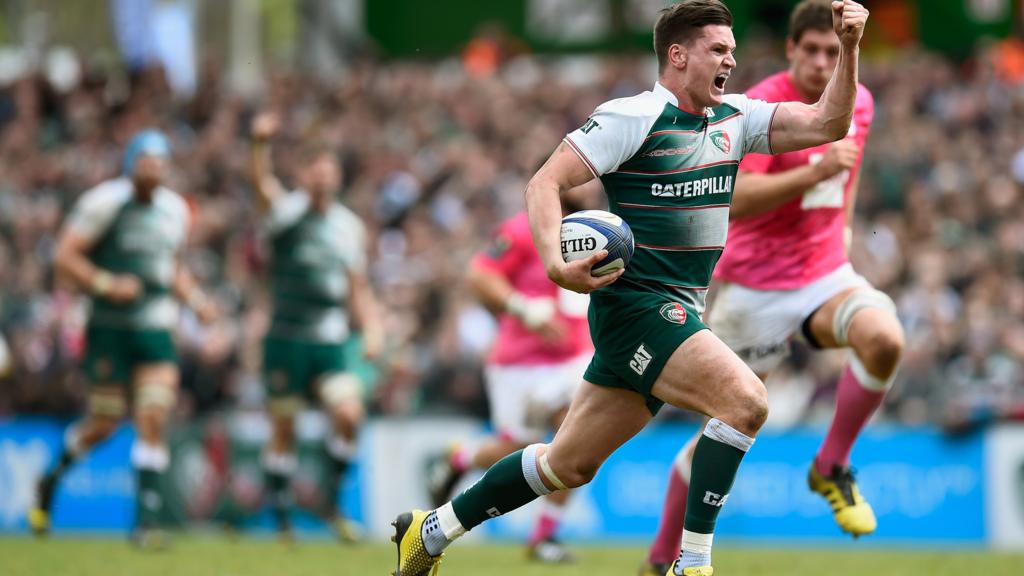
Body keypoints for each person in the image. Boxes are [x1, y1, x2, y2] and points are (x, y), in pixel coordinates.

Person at [392, 1, 870, 574]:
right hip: (637, 306)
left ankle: (431, 530)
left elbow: (828, 123)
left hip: (677, 309)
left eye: (733, 49)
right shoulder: (633, 117)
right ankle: (692, 564)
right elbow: (545, 182)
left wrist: (850, 46)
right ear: (678, 55)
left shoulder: (737, 119)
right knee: (745, 402)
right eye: (719, 49)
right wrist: (553, 263)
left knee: (566, 465)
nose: (732, 60)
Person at [639, 1, 902, 571]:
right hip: (751, 289)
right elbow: (732, 200)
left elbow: (847, 174)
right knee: (727, 425)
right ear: (790, 49)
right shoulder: (755, 106)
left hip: (823, 274)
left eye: (832, 52)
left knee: (885, 338)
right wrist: (815, 171)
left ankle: (831, 464)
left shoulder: (860, 100)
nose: (821, 61)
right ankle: (662, 556)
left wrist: (847, 228)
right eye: (811, 50)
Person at [30, 129, 217, 547]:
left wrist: (197, 300)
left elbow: (172, 268)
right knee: (105, 423)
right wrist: (104, 282)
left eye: (160, 161)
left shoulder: (175, 211)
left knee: (154, 414)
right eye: (145, 159)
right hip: (109, 330)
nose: (152, 167)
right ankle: (50, 478)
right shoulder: (103, 203)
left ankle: (145, 522)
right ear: (131, 164)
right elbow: (64, 256)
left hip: (154, 327)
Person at [425, 184, 599, 563]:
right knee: (517, 450)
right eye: (585, 177)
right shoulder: (525, 229)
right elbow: (479, 275)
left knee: (580, 439)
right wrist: (523, 309)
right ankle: (461, 458)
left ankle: (543, 538)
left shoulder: (598, 229)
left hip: (573, 359)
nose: (594, 185)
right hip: (520, 363)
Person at [249, 113, 383, 542]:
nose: (324, 177)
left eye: (330, 169)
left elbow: (357, 286)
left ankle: (331, 502)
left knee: (349, 413)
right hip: (286, 336)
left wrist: (373, 327)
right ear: (303, 174)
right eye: (316, 169)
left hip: (328, 338)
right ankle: (283, 516)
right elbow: (260, 185)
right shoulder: (286, 212)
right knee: (283, 428)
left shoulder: (349, 226)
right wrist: (258, 145)